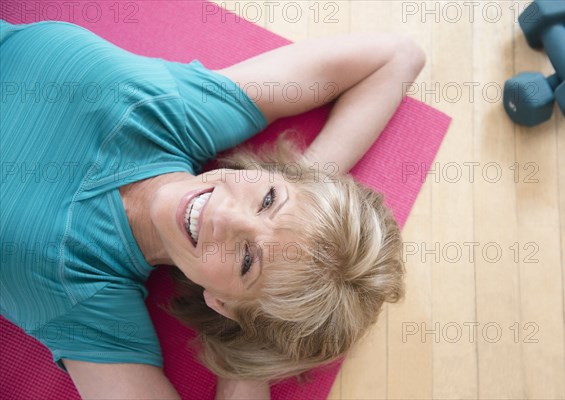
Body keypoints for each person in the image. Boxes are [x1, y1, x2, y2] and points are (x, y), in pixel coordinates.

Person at [0, 18, 425, 399]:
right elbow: (398, 57)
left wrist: (242, 352)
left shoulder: (85, 298)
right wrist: (307, 180)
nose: (224, 214)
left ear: (221, 304)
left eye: (246, 261)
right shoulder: (183, 112)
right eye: (268, 200)